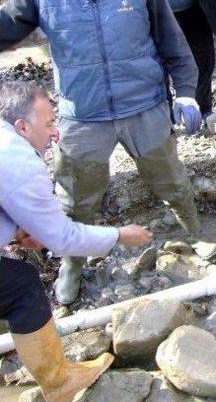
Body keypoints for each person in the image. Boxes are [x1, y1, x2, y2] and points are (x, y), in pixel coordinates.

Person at [0, 0, 201, 305]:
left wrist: (187, 93)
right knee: (77, 200)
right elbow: (6, 28)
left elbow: (172, 41)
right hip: (83, 116)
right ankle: (72, 266)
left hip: (144, 106)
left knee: (170, 180)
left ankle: (194, 230)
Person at [0, 81, 152, 402]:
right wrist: (121, 235)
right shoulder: (19, 161)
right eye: (49, 124)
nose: (55, 134)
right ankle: (59, 382)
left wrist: (13, 231)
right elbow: (64, 238)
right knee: (22, 287)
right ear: (22, 126)